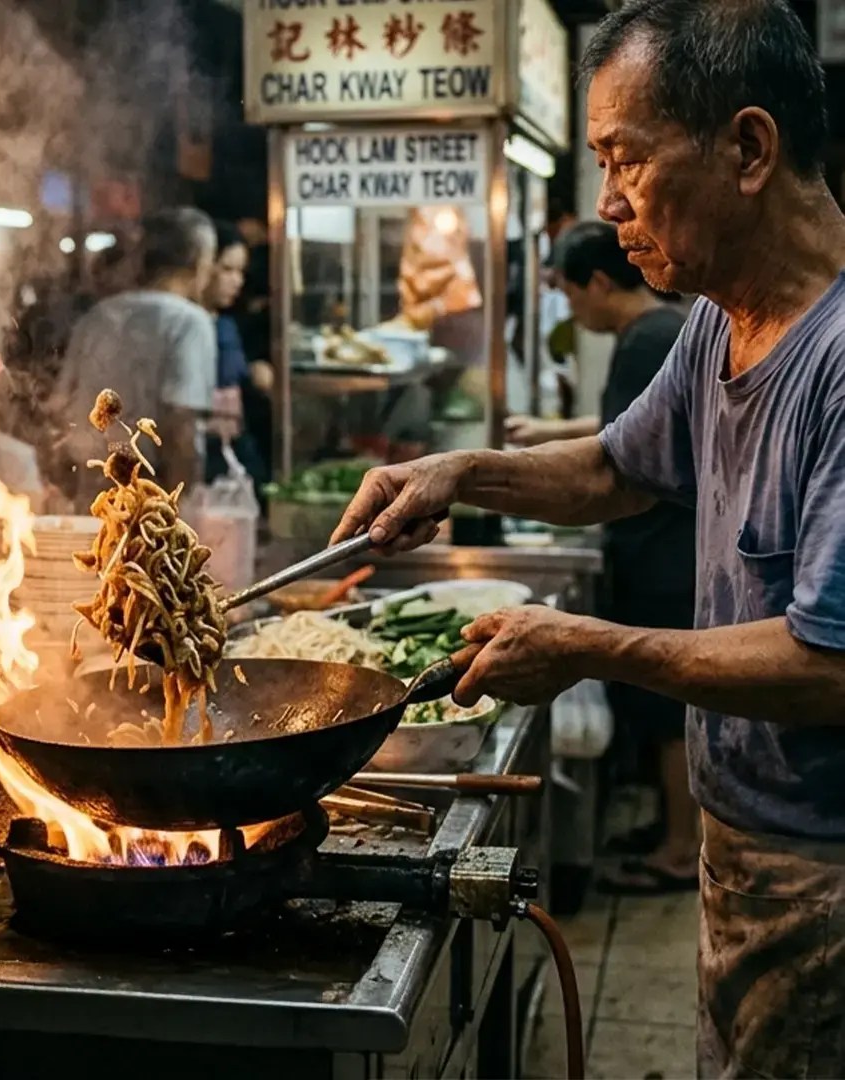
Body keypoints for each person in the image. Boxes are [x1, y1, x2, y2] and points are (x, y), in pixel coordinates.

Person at [332, 2, 845, 1075]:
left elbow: (826, 664)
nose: (606, 203)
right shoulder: (719, 315)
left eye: (627, 160)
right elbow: (617, 467)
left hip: (825, 870)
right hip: (740, 835)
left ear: (749, 148)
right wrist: (458, 471)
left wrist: (586, 648)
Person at [507, 222, 698, 893]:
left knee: (671, 708)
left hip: (665, 553)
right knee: (659, 704)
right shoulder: (656, 332)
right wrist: (547, 436)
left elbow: (623, 456)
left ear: (597, 283)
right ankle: (675, 830)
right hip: (663, 548)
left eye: (567, 291)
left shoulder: (649, 337)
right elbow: (630, 430)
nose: (569, 308)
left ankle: (681, 849)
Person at [55, 208, 217, 496]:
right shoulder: (189, 322)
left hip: (91, 490)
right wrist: (177, 508)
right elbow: (182, 425)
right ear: (198, 261)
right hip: (151, 496)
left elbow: (61, 405)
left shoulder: (98, 315)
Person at [204, 221, 268, 494]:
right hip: (206, 454)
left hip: (235, 447)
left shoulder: (228, 324)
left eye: (241, 271)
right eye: (227, 269)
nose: (237, 281)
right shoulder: (188, 326)